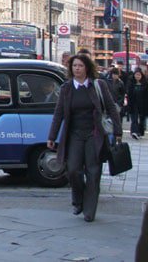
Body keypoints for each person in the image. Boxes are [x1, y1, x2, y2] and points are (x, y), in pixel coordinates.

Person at [47, 53, 122, 222]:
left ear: (87, 68)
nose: (77, 69)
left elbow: (111, 108)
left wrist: (118, 131)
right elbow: (58, 114)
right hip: (74, 134)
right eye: (74, 66)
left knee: (93, 172)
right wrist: (52, 136)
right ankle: (78, 200)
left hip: (94, 134)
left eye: (80, 66)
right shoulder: (66, 88)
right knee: (73, 169)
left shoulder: (98, 86)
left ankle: (89, 210)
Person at [126, 68, 148, 139]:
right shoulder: (131, 83)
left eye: (139, 75)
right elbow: (128, 93)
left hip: (143, 104)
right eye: (136, 75)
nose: (137, 76)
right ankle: (134, 132)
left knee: (142, 119)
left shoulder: (145, 83)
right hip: (133, 104)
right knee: (134, 118)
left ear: (141, 76)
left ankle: (140, 132)